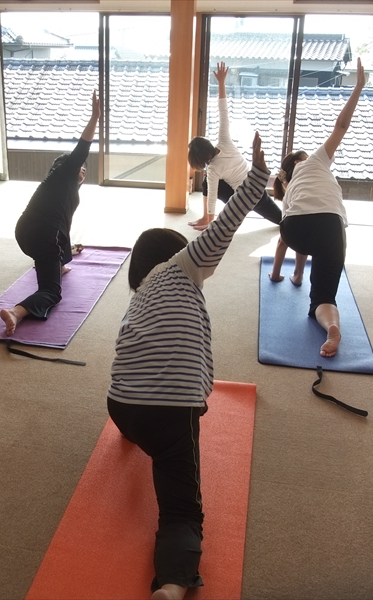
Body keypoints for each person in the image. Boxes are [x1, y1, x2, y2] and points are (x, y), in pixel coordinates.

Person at [108, 133, 269, 600]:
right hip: (169, 410)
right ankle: (173, 584)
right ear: (177, 254)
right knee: (182, 510)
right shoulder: (181, 266)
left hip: (121, 406)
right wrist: (256, 176)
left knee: (151, 423)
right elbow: (228, 224)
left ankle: (137, 433)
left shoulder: (139, 298)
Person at [273, 57, 366, 358]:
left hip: (296, 228)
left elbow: (286, 233)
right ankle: (331, 326)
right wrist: (358, 87)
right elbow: (341, 125)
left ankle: (298, 276)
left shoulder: (288, 184)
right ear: (303, 158)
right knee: (324, 297)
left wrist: (278, 274)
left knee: (295, 230)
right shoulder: (317, 160)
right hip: (332, 227)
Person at [0, 91, 100, 335]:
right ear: (67, 167)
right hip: (44, 236)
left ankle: (57, 264)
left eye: (84, 171)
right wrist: (94, 118)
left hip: (27, 233)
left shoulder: (60, 187)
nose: (82, 172)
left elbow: (64, 224)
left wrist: (62, 260)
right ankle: (16, 311)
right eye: (80, 168)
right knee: (53, 293)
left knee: (59, 238)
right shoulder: (63, 174)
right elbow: (82, 149)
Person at [187, 62, 282, 231]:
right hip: (256, 187)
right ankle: (206, 217)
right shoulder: (224, 141)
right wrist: (221, 83)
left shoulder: (214, 169)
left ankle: (208, 219)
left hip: (246, 198)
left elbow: (213, 197)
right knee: (208, 183)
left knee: (282, 222)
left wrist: (211, 220)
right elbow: (223, 112)